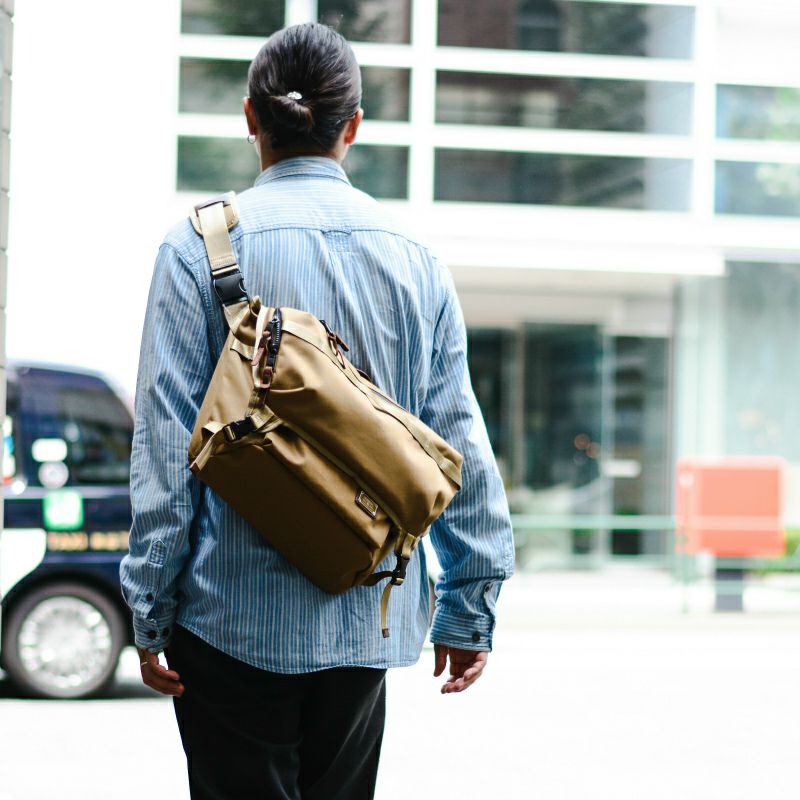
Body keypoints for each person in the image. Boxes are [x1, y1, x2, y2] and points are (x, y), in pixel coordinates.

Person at [120, 22, 514, 800]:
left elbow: (166, 447)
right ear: (353, 125)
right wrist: (471, 601)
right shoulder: (416, 260)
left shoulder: (197, 249)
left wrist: (149, 606)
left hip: (226, 618)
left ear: (251, 117)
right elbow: (455, 440)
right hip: (366, 615)